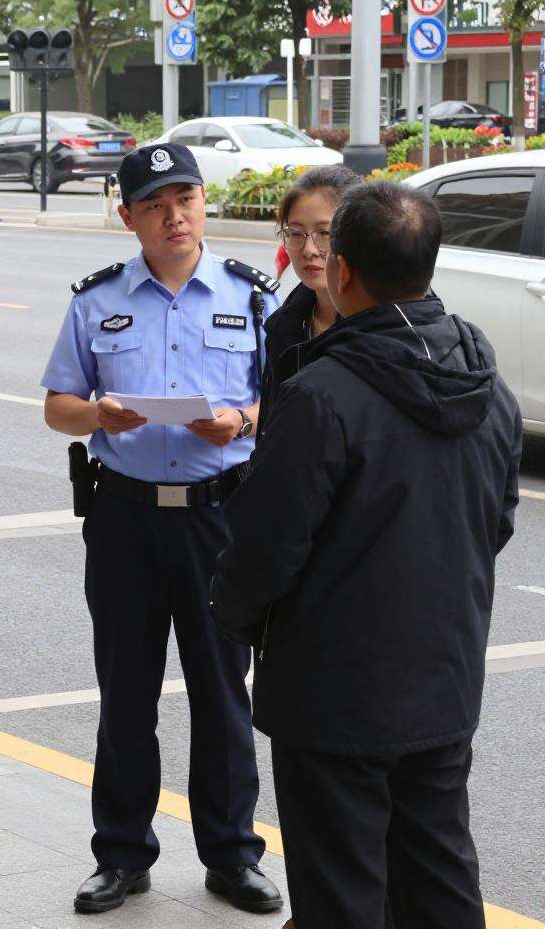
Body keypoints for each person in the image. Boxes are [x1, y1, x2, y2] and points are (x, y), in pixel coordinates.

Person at [211, 181, 522, 929]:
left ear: (344, 271)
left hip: (334, 691)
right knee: (439, 875)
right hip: (444, 673)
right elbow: (498, 520)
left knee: (341, 891)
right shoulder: (486, 382)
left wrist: (236, 618)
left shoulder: (323, 395)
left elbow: (264, 548)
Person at [41, 143, 283, 916]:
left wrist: (242, 419)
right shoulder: (96, 299)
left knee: (223, 691)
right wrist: (97, 414)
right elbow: (57, 407)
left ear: (204, 203)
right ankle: (120, 855)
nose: (174, 216)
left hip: (221, 515)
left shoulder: (254, 296)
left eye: (186, 199)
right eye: (154, 204)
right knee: (126, 692)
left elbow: (288, 399)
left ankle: (233, 856)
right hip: (126, 517)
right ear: (128, 217)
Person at [259, 165, 362, 434]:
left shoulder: (389, 326)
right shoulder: (283, 327)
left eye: (325, 234)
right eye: (295, 233)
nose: (309, 250)